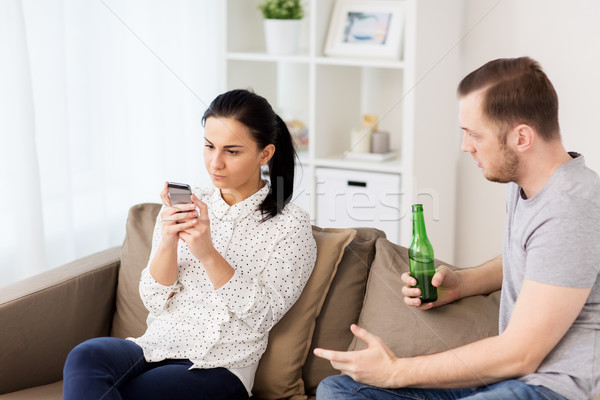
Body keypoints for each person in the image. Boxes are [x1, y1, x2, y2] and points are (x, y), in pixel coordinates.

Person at [314, 57, 600, 400]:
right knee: (341, 390)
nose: (466, 146)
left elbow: (521, 353)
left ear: (521, 136)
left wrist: (395, 371)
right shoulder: (526, 184)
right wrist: (462, 283)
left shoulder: (571, 206)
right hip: (509, 380)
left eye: (474, 134)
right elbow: (534, 261)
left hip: (554, 387)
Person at [63, 89, 317, 400]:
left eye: (232, 151)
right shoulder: (189, 205)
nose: (215, 163)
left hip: (221, 365)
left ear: (265, 154)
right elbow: (154, 301)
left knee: (132, 394)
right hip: (156, 345)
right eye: (209, 146)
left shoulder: (291, 226)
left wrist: (208, 255)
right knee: (86, 355)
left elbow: (263, 315)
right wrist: (168, 243)